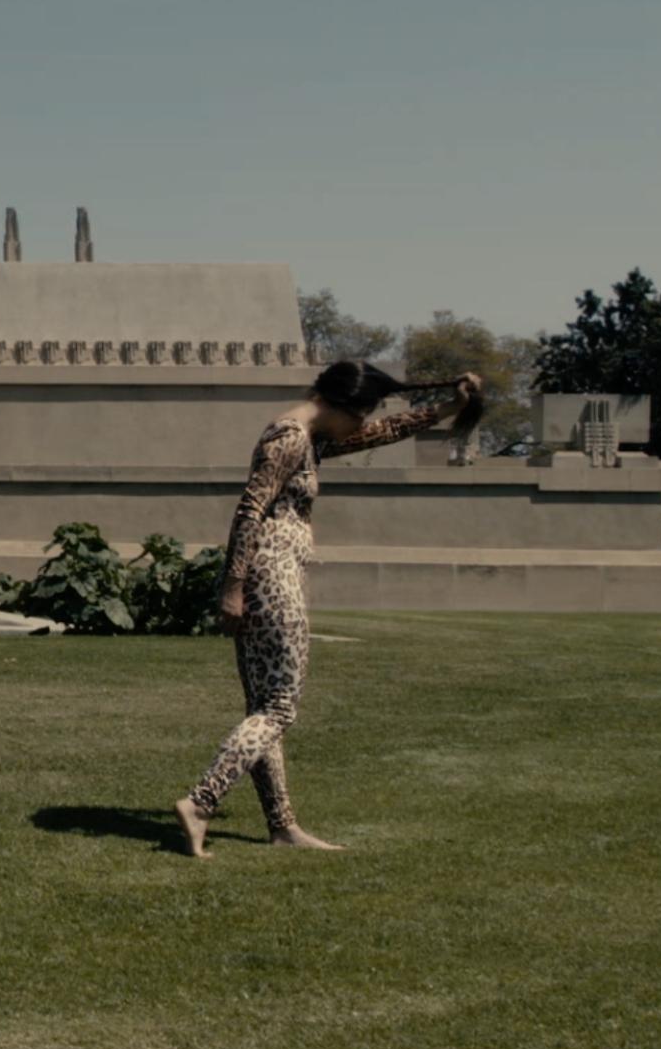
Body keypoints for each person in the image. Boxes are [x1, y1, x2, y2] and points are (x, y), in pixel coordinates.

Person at [174, 361, 481, 859]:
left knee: (262, 710)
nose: (364, 424)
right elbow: (250, 508)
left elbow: (387, 431)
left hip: (265, 575)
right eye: (363, 413)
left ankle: (282, 826)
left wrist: (449, 407)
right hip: (272, 577)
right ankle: (201, 801)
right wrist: (233, 586)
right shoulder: (290, 437)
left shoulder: (309, 437)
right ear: (342, 405)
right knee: (279, 708)